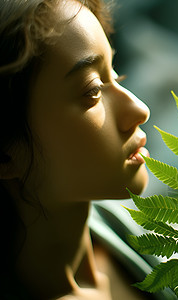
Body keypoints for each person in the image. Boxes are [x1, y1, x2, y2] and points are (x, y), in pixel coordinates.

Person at [0, 0, 155, 298]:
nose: (139, 109)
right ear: (6, 152)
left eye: (115, 73)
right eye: (94, 90)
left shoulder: (130, 234)